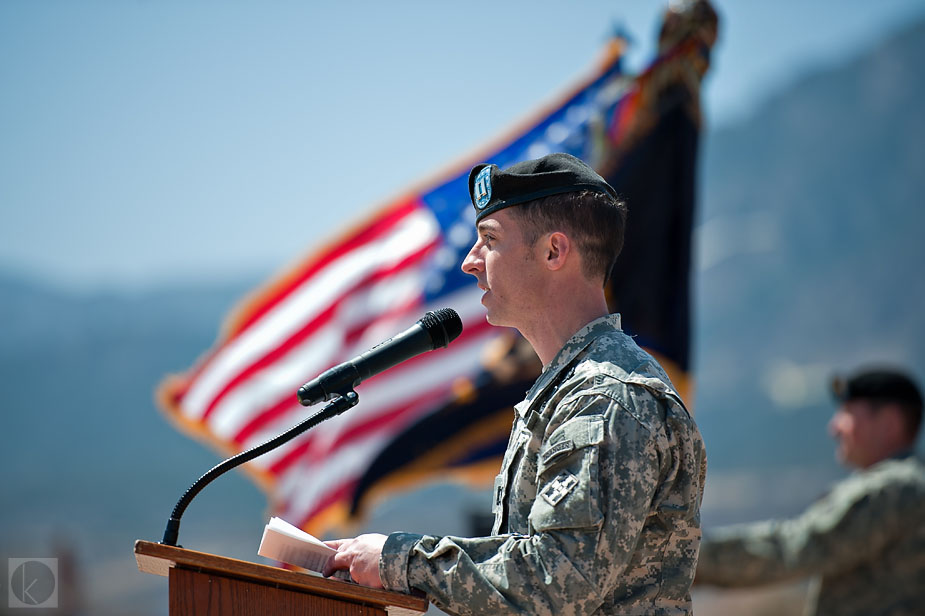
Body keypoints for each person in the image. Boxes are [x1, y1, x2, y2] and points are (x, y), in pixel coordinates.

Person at [324, 152, 707, 615]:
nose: (470, 261)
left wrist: (401, 561)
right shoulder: (570, 391)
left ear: (553, 251)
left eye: (489, 239)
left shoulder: (607, 397)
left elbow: (556, 579)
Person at [695, 367, 925, 616]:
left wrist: (688, 554)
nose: (834, 428)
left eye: (847, 413)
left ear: (889, 422)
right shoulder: (910, 487)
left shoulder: (891, 491)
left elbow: (793, 549)